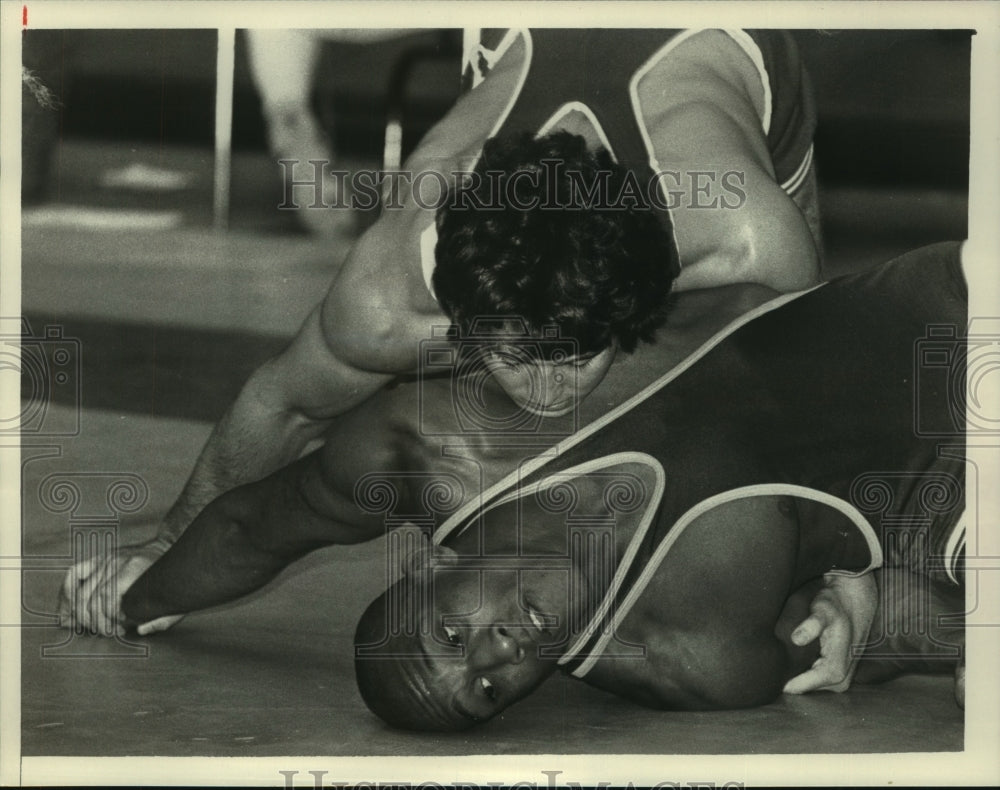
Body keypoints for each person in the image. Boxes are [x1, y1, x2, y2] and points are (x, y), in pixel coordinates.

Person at [62, 28, 824, 654]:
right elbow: (285, 402)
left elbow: (832, 403)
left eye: (577, 357)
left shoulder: (747, 241)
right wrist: (168, 546)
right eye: (518, 360)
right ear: (454, 321)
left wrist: (862, 580)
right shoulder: (389, 292)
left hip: (735, 51)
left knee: (779, 371)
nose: (549, 397)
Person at [66, 243, 966, 718]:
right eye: (489, 689)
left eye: (453, 632)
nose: (499, 653)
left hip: (955, 297)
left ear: (422, 568)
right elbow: (861, 643)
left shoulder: (434, 449)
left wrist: (136, 595)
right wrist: (882, 626)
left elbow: (255, 526)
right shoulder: (690, 659)